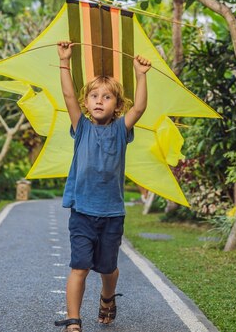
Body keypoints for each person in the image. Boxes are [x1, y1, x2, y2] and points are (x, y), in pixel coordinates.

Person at [54, 41, 151, 332]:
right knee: (79, 266)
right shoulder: (81, 126)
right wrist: (64, 61)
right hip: (82, 212)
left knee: (107, 268)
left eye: (106, 97)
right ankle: (73, 321)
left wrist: (141, 74)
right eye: (94, 96)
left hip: (111, 214)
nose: (99, 100)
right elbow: (68, 94)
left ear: (118, 105)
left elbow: (142, 106)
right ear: (87, 102)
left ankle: (107, 297)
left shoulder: (122, 130)